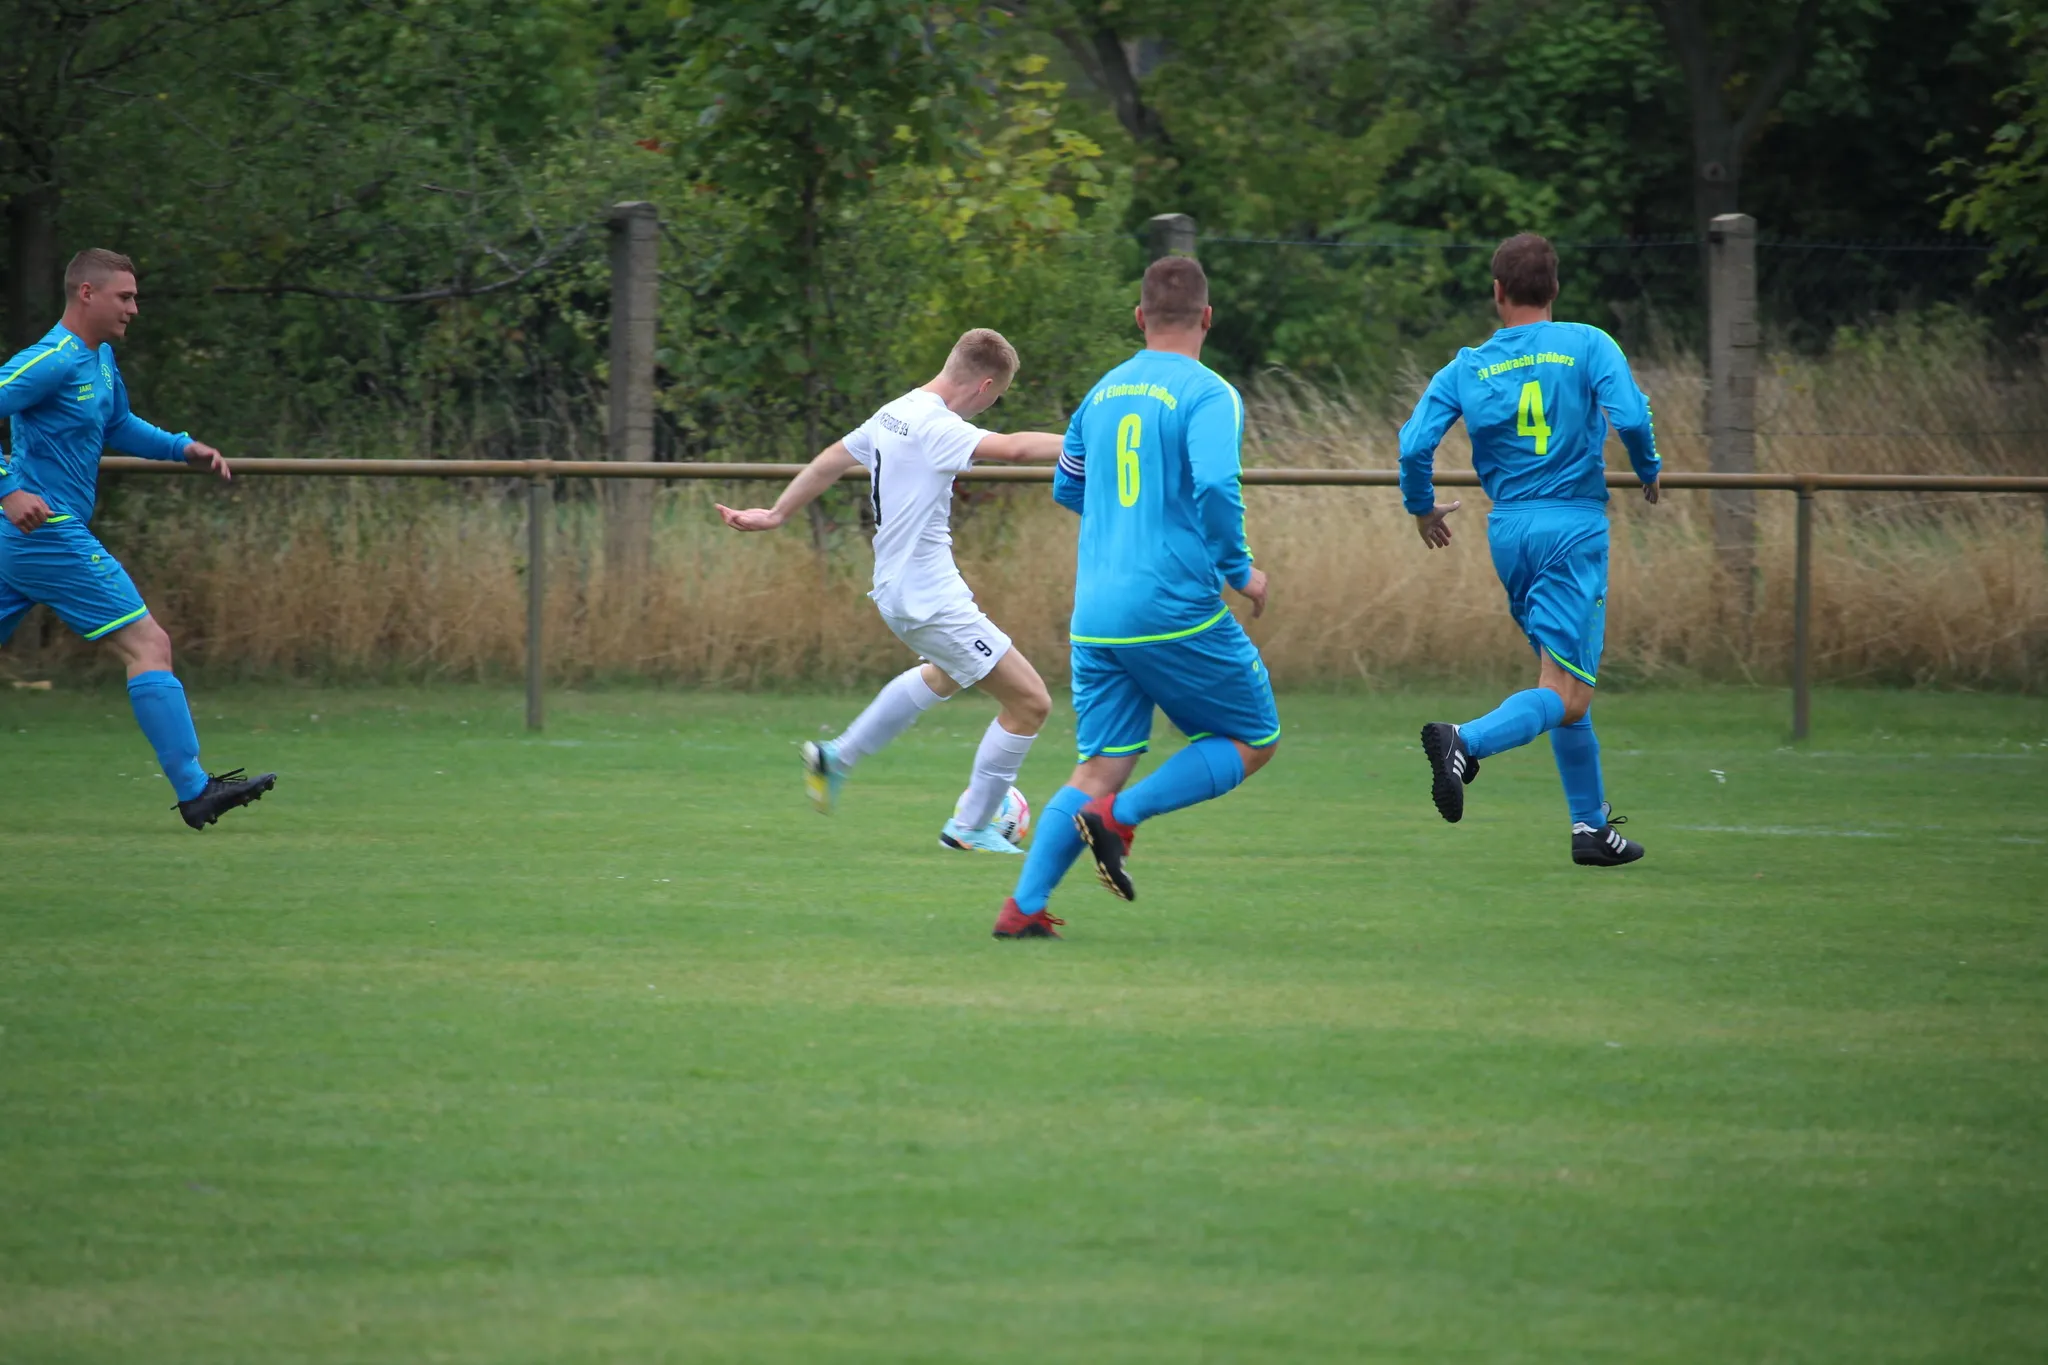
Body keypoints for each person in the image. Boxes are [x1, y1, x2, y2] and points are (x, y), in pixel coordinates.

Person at [991, 255, 1276, 940]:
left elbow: (1069, 486)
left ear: (1140, 317)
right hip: (1172, 605)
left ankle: (1022, 910)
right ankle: (1118, 818)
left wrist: (1126, 516)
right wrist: (1238, 568)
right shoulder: (1210, 393)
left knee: (1101, 765)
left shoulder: (1102, 392)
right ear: (1208, 317)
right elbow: (1215, 485)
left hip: (1096, 613)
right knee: (1252, 736)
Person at [717, 329, 1063, 853]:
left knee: (946, 673)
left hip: (899, 591)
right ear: (986, 385)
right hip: (930, 600)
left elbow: (833, 458)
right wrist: (1090, 440)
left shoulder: (895, 412)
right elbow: (1014, 448)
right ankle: (970, 827)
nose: (990, 408)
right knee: (1030, 703)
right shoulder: (938, 426)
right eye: (996, 398)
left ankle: (837, 757)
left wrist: (778, 512)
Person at [1398, 232, 1661, 866]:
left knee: (1562, 681)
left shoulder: (1469, 365)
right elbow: (1630, 417)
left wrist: (1422, 507)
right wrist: (1648, 466)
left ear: (1498, 292)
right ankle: (1464, 741)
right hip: (1572, 527)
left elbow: (1413, 445)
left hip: (1509, 531)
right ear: (1555, 289)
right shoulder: (1588, 343)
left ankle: (1590, 829)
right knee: (1568, 692)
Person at [0, 248, 276, 829]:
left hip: (22, 541)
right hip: (44, 531)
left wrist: (181, 448)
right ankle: (195, 789)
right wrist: (8, 491)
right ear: (87, 294)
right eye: (125, 297)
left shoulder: (99, 360)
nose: (134, 308)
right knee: (148, 644)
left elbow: (119, 424)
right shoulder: (52, 359)